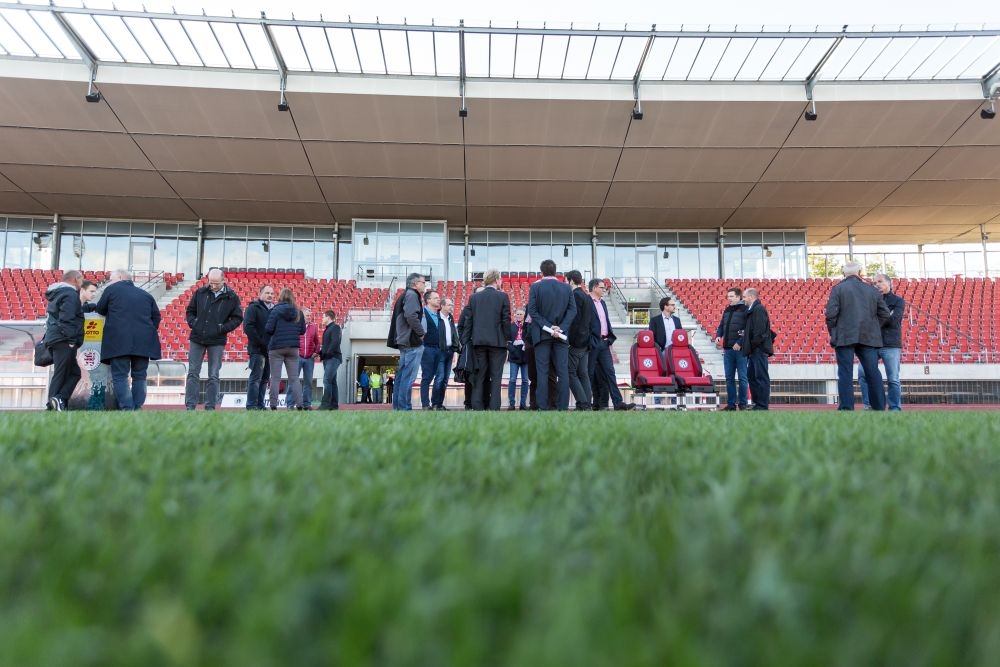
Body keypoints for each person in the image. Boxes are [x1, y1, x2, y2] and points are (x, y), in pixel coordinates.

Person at [825, 261, 891, 411]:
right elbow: (885, 314)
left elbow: (830, 314)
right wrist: (873, 327)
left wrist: (834, 333)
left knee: (845, 372)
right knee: (872, 372)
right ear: (860, 273)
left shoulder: (838, 289)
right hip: (868, 336)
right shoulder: (872, 291)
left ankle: (847, 408)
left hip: (844, 336)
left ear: (844, 274)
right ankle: (879, 407)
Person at [94, 269, 161, 410]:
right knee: (140, 376)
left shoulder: (112, 290)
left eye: (111, 279)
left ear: (119, 277)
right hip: (143, 342)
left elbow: (100, 309)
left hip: (118, 341)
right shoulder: (146, 295)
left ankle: (127, 407)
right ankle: (137, 407)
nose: (110, 281)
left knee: (120, 376)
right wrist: (146, 332)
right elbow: (156, 317)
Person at [184, 268, 243, 411]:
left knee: (213, 374)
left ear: (223, 280)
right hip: (197, 337)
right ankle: (190, 405)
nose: (213, 286)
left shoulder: (232, 297)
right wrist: (194, 323)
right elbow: (190, 311)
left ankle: (210, 406)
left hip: (217, 340)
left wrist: (222, 328)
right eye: (211, 282)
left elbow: (237, 318)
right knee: (193, 372)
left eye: (216, 283)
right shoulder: (200, 292)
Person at [526, 259, 576, 411]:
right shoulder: (566, 288)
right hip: (560, 336)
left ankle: (542, 406)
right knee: (562, 372)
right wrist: (560, 328)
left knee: (542, 372)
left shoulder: (535, 287)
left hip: (542, 336)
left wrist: (548, 327)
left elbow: (532, 311)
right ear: (555, 271)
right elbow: (572, 311)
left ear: (541, 272)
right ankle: (562, 406)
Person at [462, 269, 512, 410]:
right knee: (496, 377)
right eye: (500, 279)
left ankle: (477, 406)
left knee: (479, 376)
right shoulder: (503, 297)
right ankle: (494, 407)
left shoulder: (474, 298)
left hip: (478, 343)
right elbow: (506, 320)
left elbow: (468, 322)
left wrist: (465, 342)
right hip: (498, 343)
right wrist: (507, 339)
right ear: (496, 280)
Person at [858, 274, 905, 412]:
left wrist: (874, 321)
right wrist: (885, 316)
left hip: (890, 344)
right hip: (871, 344)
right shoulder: (868, 301)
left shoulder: (898, 301)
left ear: (889, 283)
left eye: (880, 281)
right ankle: (869, 405)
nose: (876, 284)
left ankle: (895, 408)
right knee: (862, 374)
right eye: (874, 283)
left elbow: (893, 321)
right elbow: (864, 321)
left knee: (893, 379)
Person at [587, 278, 634, 411]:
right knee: (589, 374)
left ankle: (618, 403)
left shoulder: (603, 303)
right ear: (595, 287)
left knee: (610, 373)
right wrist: (590, 340)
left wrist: (608, 339)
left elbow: (605, 322)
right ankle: (586, 402)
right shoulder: (586, 302)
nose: (604, 290)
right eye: (602, 287)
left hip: (604, 343)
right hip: (592, 343)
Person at [43, 269, 85, 412]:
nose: (82, 282)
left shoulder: (59, 293)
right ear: (75, 279)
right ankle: (52, 404)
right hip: (64, 339)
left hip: (56, 337)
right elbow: (66, 318)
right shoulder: (70, 294)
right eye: (81, 279)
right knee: (61, 372)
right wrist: (72, 339)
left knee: (74, 373)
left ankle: (58, 400)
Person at [386, 272, 426, 410]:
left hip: (405, 341)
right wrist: (421, 333)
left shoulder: (406, 295)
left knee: (402, 377)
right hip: (411, 341)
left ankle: (398, 407)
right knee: (408, 378)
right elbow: (411, 315)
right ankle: (404, 408)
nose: (424, 285)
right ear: (415, 284)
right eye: (423, 282)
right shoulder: (412, 295)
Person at [265, 287, 306, 410]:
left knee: (275, 378)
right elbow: (303, 330)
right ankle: (300, 404)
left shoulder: (275, 310)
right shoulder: (298, 312)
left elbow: (269, 329)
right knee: (294, 378)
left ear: (280, 297)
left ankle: (273, 405)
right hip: (293, 348)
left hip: (276, 347)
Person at [714, 287, 749, 411]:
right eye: (728, 296)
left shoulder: (745, 309)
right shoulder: (727, 310)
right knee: (729, 378)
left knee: (742, 378)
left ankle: (743, 403)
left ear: (738, 297)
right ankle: (731, 404)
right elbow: (721, 326)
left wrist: (740, 342)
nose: (729, 298)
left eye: (731, 296)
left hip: (740, 350)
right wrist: (718, 336)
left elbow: (748, 329)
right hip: (728, 349)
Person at [243, 285, 274, 410]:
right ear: (260, 294)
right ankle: (251, 405)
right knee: (256, 378)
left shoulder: (274, 310)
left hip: (270, 351)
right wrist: (261, 342)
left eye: (272, 293)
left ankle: (260, 405)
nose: (270, 295)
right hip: (257, 350)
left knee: (265, 379)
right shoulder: (253, 308)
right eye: (267, 293)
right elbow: (248, 327)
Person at [742, 287, 774, 411]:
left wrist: (753, 344)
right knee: (752, 377)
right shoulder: (752, 310)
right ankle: (758, 403)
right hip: (754, 349)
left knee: (761, 377)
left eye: (744, 297)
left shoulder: (759, 309)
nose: (743, 299)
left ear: (751, 297)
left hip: (758, 349)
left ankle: (762, 405)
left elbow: (759, 332)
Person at [565, 270, 593, 411]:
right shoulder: (587, 296)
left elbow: (574, 321)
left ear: (571, 281)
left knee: (570, 372)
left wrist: (570, 341)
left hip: (576, 342)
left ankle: (583, 403)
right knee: (583, 373)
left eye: (566, 281)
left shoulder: (575, 296)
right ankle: (587, 403)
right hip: (586, 341)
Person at [419, 290, 445, 410]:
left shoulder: (439, 315)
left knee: (437, 376)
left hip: (438, 349)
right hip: (427, 349)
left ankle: (436, 404)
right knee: (427, 377)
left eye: (438, 297)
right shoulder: (422, 313)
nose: (438, 299)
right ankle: (425, 404)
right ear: (428, 300)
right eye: (435, 298)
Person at [435, 298, 460, 410]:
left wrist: (455, 349)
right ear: (443, 306)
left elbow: (453, 334)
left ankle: (440, 404)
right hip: (440, 351)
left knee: (445, 379)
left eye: (452, 305)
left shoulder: (450, 318)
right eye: (449, 305)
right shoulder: (437, 317)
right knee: (439, 378)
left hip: (450, 351)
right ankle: (435, 403)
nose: (451, 307)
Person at [319, 310, 342, 410]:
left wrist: (327, 354)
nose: (322, 319)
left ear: (328, 317)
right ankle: (333, 405)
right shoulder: (328, 329)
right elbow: (326, 346)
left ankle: (325, 404)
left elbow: (335, 343)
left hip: (333, 358)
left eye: (323, 317)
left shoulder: (335, 327)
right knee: (332, 381)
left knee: (327, 380)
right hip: (329, 358)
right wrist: (319, 354)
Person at [507, 307, 529, 410]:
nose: (519, 316)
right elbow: (507, 340)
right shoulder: (511, 327)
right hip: (514, 355)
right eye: (517, 314)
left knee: (525, 380)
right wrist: (512, 349)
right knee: (512, 379)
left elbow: (530, 338)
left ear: (524, 316)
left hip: (525, 356)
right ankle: (511, 403)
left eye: (521, 314)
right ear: (514, 315)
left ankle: (523, 403)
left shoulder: (527, 326)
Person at [297, 308, 320, 410]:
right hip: (297, 357)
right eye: (307, 315)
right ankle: (290, 404)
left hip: (309, 358)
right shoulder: (295, 325)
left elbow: (317, 342)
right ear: (302, 316)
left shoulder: (314, 327)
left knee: (308, 382)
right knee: (293, 380)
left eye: (310, 315)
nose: (309, 317)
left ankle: (307, 404)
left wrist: (316, 352)